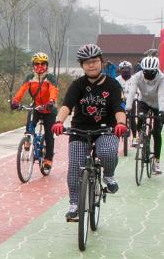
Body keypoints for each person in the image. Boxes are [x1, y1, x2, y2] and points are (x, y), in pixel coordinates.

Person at [52, 43, 128, 222]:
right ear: (82, 66)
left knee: (107, 152)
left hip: (106, 129)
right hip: (79, 129)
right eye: (86, 63)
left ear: (101, 62)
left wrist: (121, 123)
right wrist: (59, 121)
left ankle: (108, 176)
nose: (91, 65)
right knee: (75, 168)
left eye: (94, 61)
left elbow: (119, 107)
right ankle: (75, 205)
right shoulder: (78, 84)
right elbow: (66, 105)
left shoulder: (112, 85)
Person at [9, 52, 59, 172]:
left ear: (47, 65)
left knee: (48, 135)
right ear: (33, 65)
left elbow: (53, 90)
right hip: (36, 107)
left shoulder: (50, 78)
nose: (39, 66)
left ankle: (48, 160)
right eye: (37, 64)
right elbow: (22, 90)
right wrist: (15, 101)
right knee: (30, 124)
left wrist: (51, 101)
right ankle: (28, 139)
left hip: (49, 109)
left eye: (43, 64)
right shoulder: (30, 77)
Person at [127, 56, 164, 174]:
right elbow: (131, 93)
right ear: (142, 70)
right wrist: (127, 108)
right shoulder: (137, 76)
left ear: (156, 70)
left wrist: (161, 112)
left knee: (156, 133)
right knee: (140, 116)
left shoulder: (162, 77)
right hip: (144, 101)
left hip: (157, 104)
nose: (148, 74)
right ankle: (141, 136)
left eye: (151, 72)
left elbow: (161, 96)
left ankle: (156, 162)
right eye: (146, 72)